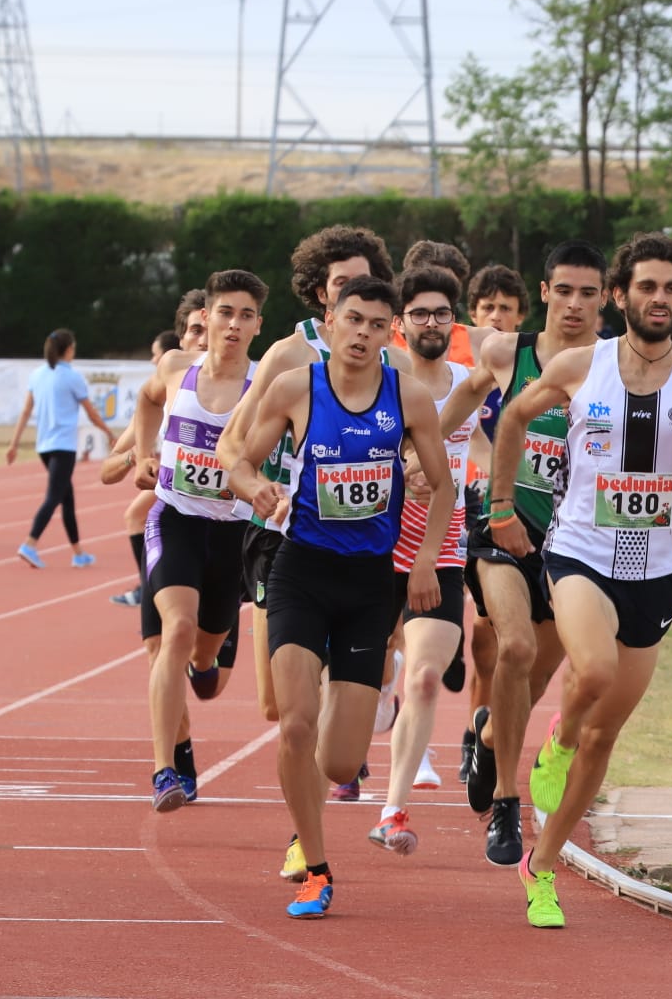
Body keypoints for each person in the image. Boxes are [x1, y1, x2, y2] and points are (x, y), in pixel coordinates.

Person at [489, 230, 672, 928]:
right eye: (646, 287)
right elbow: (512, 418)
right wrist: (499, 505)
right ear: (620, 296)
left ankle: (540, 867)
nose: (658, 298)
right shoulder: (582, 365)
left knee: (608, 737)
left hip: (654, 573)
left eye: (671, 288)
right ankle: (557, 736)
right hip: (578, 552)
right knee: (594, 671)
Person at [227, 274, 455, 920]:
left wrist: (424, 561)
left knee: (340, 761)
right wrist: (255, 491)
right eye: (352, 320)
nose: (361, 334)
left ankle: (356, 703)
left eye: (376, 325)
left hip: (368, 586)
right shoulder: (296, 386)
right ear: (328, 322)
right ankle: (317, 869)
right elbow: (241, 463)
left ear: (392, 335)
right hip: (300, 571)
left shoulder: (408, 397)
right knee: (294, 724)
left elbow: (441, 487)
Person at [216, 225, 400, 815]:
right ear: (323, 293)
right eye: (342, 283)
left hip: (360, 549)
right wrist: (253, 485)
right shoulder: (290, 356)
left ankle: (343, 734)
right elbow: (230, 444)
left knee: (312, 711)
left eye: (365, 283)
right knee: (276, 705)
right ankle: (338, 717)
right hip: (279, 534)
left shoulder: (388, 361)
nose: (355, 296)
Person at [439, 239, 606, 868]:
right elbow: (459, 405)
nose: (573, 304)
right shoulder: (509, 351)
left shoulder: (615, 368)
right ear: (544, 293)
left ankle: (486, 737)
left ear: (604, 300)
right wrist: (433, 451)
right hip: (503, 532)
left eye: (588, 293)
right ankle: (506, 804)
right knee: (514, 647)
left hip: (576, 550)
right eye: (563, 290)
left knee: (531, 685)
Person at [131, 270, 266, 811]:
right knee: (176, 630)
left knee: (205, 653)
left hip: (235, 535)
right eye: (225, 313)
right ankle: (165, 770)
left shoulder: (264, 385)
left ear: (258, 325)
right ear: (205, 317)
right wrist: (144, 453)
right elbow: (145, 401)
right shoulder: (175, 368)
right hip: (175, 518)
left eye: (246, 315)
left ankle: (204, 663)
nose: (234, 324)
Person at [367, 264, 482, 854]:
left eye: (441, 313)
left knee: (430, 677)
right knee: (354, 685)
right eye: (419, 314)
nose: (431, 322)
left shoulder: (467, 381)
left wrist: (483, 474)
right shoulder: (376, 382)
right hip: (370, 551)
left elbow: (483, 447)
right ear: (398, 325)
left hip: (441, 552)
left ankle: (393, 810)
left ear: (452, 322)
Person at [455, 262, 530, 784]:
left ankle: (477, 733)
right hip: (456, 505)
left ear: (522, 314)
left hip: (505, 514)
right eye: (488, 308)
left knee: (494, 639)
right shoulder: (470, 368)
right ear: (473, 317)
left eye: (507, 308)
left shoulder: (537, 364)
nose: (498, 316)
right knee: (477, 639)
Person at [113, 292, 209, 607]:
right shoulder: (164, 389)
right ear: (181, 340)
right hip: (175, 509)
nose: (204, 340)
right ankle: (148, 584)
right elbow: (109, 466)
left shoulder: (249, 385)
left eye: (211, 329)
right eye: (196, 331)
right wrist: (139, 458)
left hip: (228, 522)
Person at [6, 328, 116, 568]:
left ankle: (78, 553)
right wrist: (109, 433)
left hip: (44, 446)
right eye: (74, 348)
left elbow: (26, 411)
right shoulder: (72, 377)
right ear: (68, 350)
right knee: (55, 496)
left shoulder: (37, 375)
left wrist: (14, 443)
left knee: (67, 498)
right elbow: (91, 411)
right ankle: (30, 543)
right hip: (63, 446)